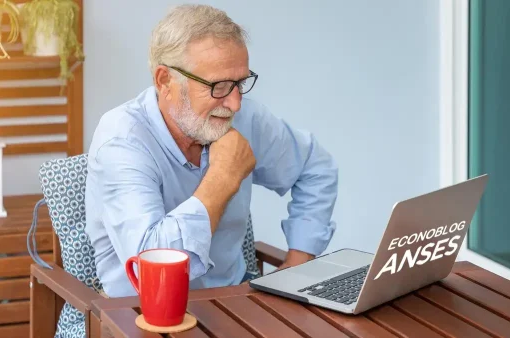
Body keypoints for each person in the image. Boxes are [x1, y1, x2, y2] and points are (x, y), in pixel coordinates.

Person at [85, 4, 339, 298]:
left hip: (232, 299)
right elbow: (152, 272)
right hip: (140, 313)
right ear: (165, 80)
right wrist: (223, 177)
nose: (235, 104)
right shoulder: (122, 139)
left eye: (240, 84)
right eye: (218, 86)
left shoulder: (243, 119)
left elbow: (315, 168)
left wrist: (298, 262)